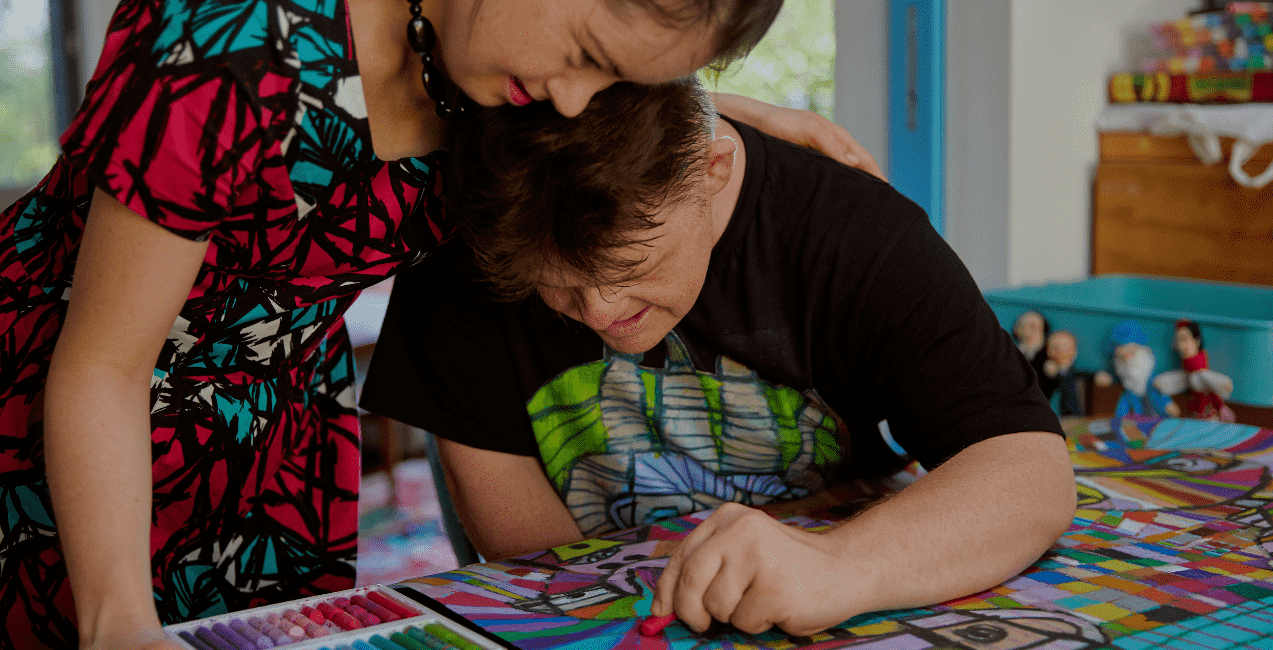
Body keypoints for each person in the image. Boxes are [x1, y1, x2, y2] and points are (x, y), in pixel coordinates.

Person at [0, 0, 885, 647]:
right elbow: (100, 371)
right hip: (61, 421)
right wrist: (117, 622)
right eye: (588, 56)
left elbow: (597, 100)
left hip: (272, 416)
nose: (573, 99)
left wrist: (720, 118)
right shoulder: (235, 40)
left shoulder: (496, 63)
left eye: (618, 82)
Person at [362, 80, 1077, 637]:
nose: (603, 313)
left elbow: (1030, 471)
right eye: (558, 288)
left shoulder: (859, 234)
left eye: (632, 266)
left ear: (712, 167)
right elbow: (540, 572)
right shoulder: (468, 254)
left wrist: (838, 567)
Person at [1095, 322, 1180, 419]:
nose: (1128, 358)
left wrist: (1168, 403)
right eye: (1123, 357)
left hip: (1160, 422)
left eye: (1131, 352)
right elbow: (1120, 413)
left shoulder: (1152, 382)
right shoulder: (1128, 391)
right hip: (1139, 424)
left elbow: (1160, 394)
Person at [1153, 320, 1235, 421]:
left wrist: (1223, 385)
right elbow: (1180, 379)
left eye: (1184, 339)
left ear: (1197, 341)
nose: (1181, 346)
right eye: (1178, 340)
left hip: (1207, 413)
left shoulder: (1200, 370)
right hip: (1192, 412)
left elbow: (1210, 378)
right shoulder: (1187, 371)